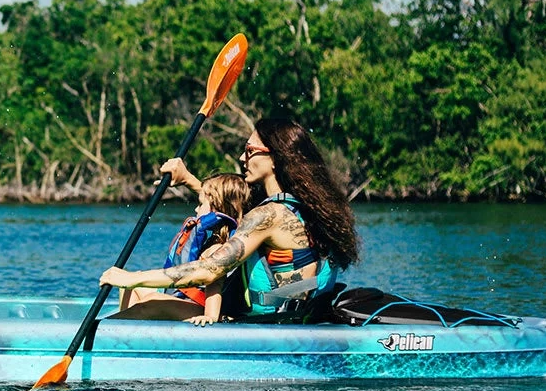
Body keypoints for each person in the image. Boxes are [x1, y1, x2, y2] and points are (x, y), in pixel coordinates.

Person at [102, 117, 359, 322]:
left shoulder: (268, 216)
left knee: (147, 305)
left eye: (249, 151)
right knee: (143, 295)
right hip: (294, 313)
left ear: (274, 158)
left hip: (268, 323)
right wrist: (189, 179)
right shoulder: (306, 206)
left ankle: (100, 345)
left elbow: (208, 270)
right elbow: (232, 208)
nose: (241, 158)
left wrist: (132, 276)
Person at [118, 170, 252, 324]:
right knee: (130, 286)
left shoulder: (219, 248)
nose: (196, 209)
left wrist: (210, 317)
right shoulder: (211, 239)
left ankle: (110, 330)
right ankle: (128, 329)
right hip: (190, 298)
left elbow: (215, 284)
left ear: (218, 207)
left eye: (201, 204)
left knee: (153, 301)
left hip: (206, 308)